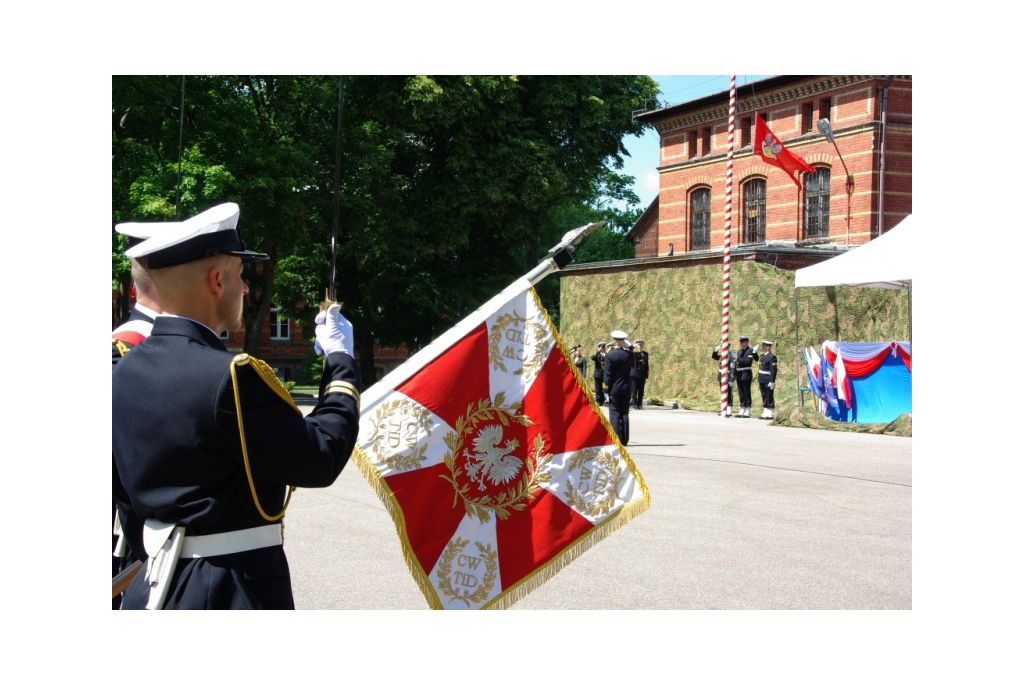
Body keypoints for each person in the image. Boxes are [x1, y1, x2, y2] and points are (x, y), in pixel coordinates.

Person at [112, 202, 361, 610]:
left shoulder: (123, 368)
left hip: (153, 586)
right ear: (216, 281)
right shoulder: (231, 376)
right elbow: (319, 457)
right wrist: (340, 362)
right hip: (230, 590)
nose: (245, 289)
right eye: (241, 276)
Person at [603, 330, 634, 445]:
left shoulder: (610, 355)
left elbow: (607, 374)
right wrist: (629, 346)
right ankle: (625, 439)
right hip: (626, 388)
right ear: (623, 341)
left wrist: (605, 389)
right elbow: (634, 351)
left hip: (614, 389)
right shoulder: (629, 355)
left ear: (614, 341)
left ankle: (616, 438)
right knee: (624, 413)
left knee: (615, 413)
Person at [734, 335, 759, 418]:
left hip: (746, 373)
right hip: (739, 373)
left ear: (747, 342)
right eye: (740, 342)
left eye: (742, 342)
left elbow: (746, 362)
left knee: (746, 391)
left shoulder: (750, 351)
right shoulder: (739, 352)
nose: (741, 344)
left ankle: (747, 408)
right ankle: (742, 407)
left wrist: (737, 358)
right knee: (741, 391)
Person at [712, 342, 737, 417]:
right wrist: (716, 350)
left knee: (728, 393)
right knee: (723, 392)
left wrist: (731, 379)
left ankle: (729, 408)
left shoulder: (731, 356)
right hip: (721, 376)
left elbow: (733, 368)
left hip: (728, 376)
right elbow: (714, 356)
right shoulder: (722, 356)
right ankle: (724, 408)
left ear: (728, 347)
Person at [758, 340, 778, 420]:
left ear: (767, 347)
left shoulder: (772, 357)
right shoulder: (762, 356)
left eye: (764, 346)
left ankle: (770, 411)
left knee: (769, 395)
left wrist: (772, 381)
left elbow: (773, 370)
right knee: (764, 394)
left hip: (768, 378)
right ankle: (765, 409)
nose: (763, 348)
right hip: (762, 378)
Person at [631, 339, 650, 410]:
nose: (640, 346)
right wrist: (633, 347)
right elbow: (628, 351)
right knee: (634, 390)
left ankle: (640, 404)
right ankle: (635, 404)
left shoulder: (645, 354)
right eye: (639, 345)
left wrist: (647, 372)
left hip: (642, 373)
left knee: (641, 390)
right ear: (636, 345)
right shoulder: (633, 353)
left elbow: (646, 364)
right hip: (634, 373)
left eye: (642, 345)